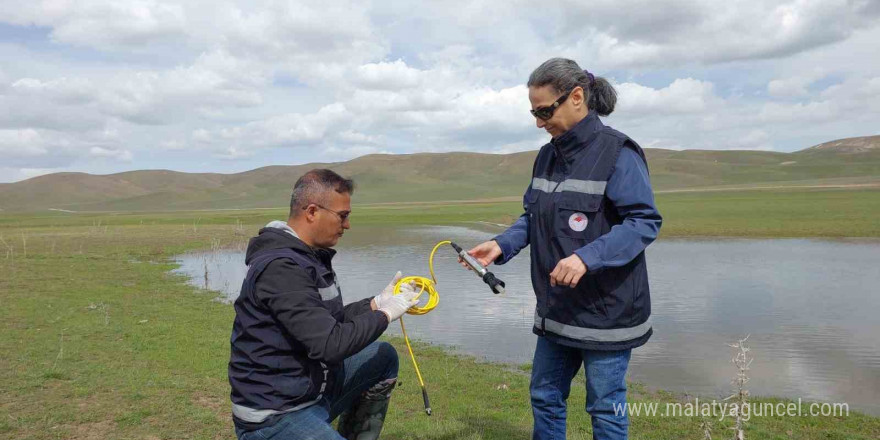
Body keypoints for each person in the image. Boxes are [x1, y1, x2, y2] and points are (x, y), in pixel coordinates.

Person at [466, 58, 662, 440]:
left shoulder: (619, 153)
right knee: (545, 395)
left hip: (607, 312)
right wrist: (501, 244)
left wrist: (586, 257)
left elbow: (643, 222)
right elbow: (533, 216)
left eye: (544, 111)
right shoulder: (547, 155)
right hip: (557, 308)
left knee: (605, 407)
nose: (539, 122)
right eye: (533, 113)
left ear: (576, 97)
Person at [228, 169, 419, 440]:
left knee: (383, 357)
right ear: (312, 212)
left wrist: (376, 303)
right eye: (343, 216)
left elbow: (327, 320)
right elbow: (329, 345)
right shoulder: (281, 267)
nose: (347, 225)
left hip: (310, 391)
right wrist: (387, 314)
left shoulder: (307, 258)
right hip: (275, 414)